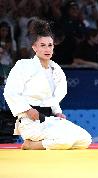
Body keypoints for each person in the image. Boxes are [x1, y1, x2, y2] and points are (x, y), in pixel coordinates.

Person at [3, 19, 92, 150]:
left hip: (50, 120)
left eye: (50, 45)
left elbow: (52, 98)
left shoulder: (56, 69)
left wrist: (57, 112)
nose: (47, 49)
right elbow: (10, 92)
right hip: (30, 121)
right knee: (65, 141)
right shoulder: (23, 65)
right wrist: (27, 109)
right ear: (34, 47)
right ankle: (31, 145)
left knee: (85, 139)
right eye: (42, 45)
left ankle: (37, 144)